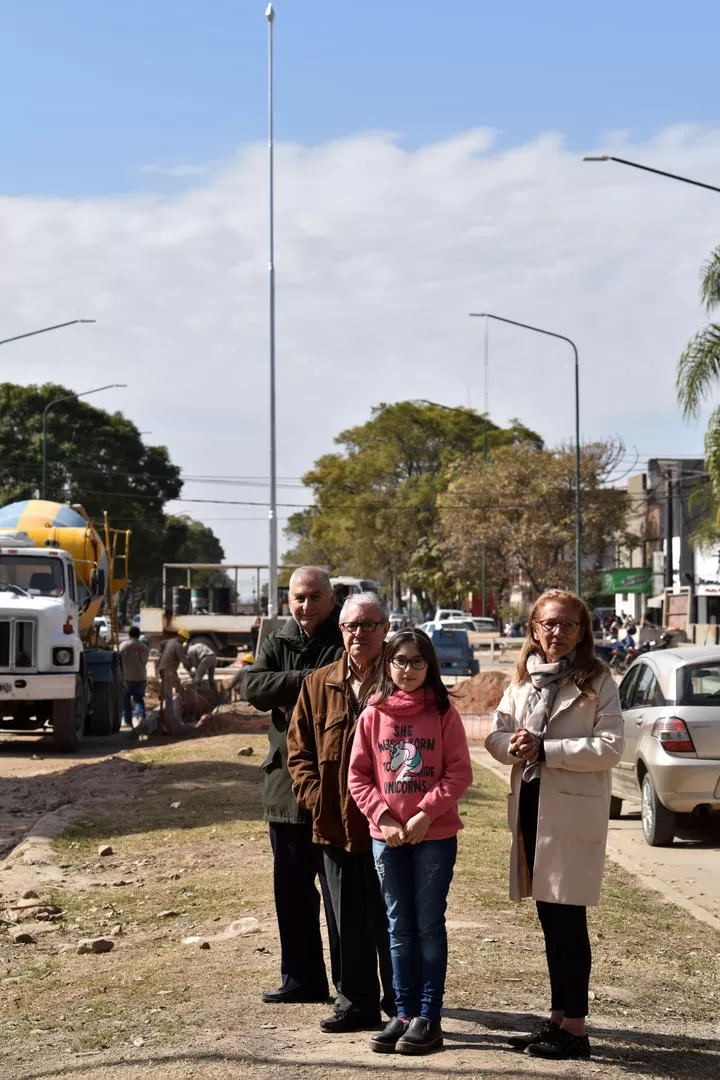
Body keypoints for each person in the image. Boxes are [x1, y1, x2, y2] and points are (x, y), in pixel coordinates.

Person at [485, 589, 623, 1061]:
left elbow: (610, 747)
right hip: (531, 807)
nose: (557, 633)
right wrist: (515, 745)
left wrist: (546, 749)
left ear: (582, 632)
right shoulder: (522, 680)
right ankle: (557, 1020)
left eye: (567, 625)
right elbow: (495, 732)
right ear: (533, 629)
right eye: (548, 624)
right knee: (549, 920)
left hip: (572, 812)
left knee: (569, 922)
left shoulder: (598, 680)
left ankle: (577, 1030)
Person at [348, 628, 472, 1056]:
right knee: (398, 928)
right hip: (387, 838)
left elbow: (459, 772)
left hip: (433, 837)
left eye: (417, 661)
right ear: (387, 664)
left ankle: (429, 1017)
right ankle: (402, 1014)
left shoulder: (442, 713)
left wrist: (424, 815)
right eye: (399, 660)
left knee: (428, 928)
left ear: (430, 666)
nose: (408, 669)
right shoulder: (372, 714)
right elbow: (358, 776)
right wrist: (384, 818)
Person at [287, 592, 395, 1034]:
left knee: (392, 920)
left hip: (391, 828)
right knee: (345, 918)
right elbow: (299, 753)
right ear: (341, 631)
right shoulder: (318, 684)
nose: (359, 634)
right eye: (351, 626)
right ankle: (356, 1005)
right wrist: (317, 800)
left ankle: (402, 1004)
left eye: (369, 625)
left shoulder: (403, 678)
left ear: (385, 629)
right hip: (334, 826)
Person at [245, 567, 344, 1006]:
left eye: (315, 597)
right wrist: (310, 680)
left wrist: (290, 685)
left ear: (332, 598)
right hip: (284, 785)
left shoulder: (347, 634)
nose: (306, 606)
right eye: (299, 597)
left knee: (342, 892)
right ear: (289, 600)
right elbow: (254, 688)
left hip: (336, 785)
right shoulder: (277, 639)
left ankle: (350, 985)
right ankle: (301, 981)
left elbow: (349, 684)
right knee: (291, 890)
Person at [156, 628, 189, 734]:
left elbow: (161, 644)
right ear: (181, 637)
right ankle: (169, 719)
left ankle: (177, 710)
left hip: (164, 669)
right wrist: (191, 669)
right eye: (184, 639)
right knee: (168, 695)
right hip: (168, 671)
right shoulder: (178, 646)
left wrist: (162, 654)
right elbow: (184, 661)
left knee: (177, 686)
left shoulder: (170, 641)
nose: (184, 641)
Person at [119, 625, 149, 729]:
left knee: (126, 700)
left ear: (129, 634)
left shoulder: (124, 645)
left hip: (127, 678)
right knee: (138, 699)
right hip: (140, 677)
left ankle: (128, 721)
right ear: (139, 635)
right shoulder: (144, 647)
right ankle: (140, 716)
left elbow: (119, 660)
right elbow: (145, 661)